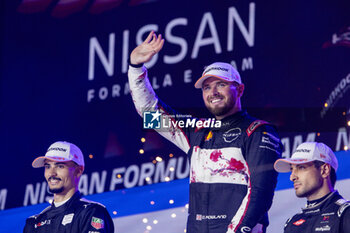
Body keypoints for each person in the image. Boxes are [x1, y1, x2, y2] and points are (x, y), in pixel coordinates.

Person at [128, 31, 283, 233]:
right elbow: (149, 112)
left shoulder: (258, 131)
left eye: (221, 84)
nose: (213, 93)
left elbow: (261, 192)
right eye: (207, 87)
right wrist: (135, 67)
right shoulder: (195, 131)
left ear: (240, 89)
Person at [23, 141, 115, 233]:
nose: (51, 173)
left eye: (60, 166)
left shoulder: (92, 212)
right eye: (48, 167)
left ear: (78, 171)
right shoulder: (33, 223)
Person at [274, 142, 350, 233]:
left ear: (324, 170)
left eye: (301, 167)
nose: (292, 177)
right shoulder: (292, 223)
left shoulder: (346, 214)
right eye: (292, 169)